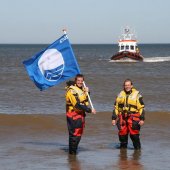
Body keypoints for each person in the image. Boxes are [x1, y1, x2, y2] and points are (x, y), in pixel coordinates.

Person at [65, 74, 96, 155]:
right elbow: (77, 104)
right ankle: (72, 153)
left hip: (80, 115)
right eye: (78, 81)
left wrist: (87, 92)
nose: (80, 82)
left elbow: (85, 100)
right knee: (74, 135)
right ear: (75, 81)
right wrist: (89, 110)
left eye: (81, 81)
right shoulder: (72, 91)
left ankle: (73, 152)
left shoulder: (82, 89)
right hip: (73, 115)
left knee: (79, 133)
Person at [112, 79, 145, 150]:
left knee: (134, 135)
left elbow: (141, 108)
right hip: (122, 118)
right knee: (122, 135)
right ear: (123, 86)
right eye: (125, 85)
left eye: (128, 85)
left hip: (133, 118)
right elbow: (116, 108)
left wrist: (142, 119)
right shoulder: (119, 95)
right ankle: (123, 153)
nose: (127, 87)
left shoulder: (137, 95)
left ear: (131, 86)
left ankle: (137, 151)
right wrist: (114, 118)